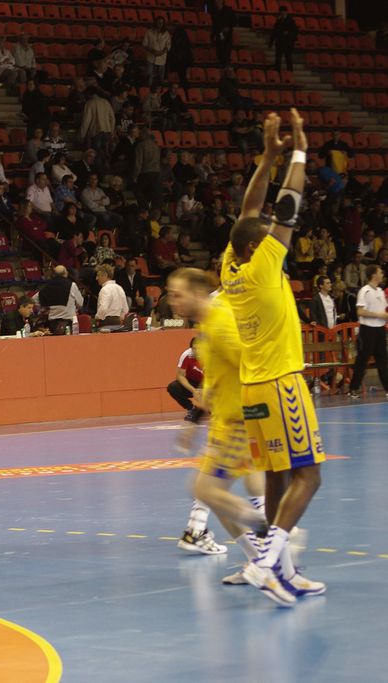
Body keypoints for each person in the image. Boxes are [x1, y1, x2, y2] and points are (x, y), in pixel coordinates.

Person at [222, 109, 325, 606]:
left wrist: (266, 157)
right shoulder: (264, 264)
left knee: (280, 478)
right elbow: (288, 203)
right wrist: (298, 149)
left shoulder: (231, 268)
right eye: (265, 232)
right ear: (257, 245)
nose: (270, 230)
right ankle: (266, 562)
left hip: (253, 390)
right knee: (310, 476)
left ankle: (283, 571)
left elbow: (251, 208)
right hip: (283, 383)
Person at [166, 268, 270, 566]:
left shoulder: (222, 323)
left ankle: (271, 533)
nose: (172, 302)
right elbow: (219, 373)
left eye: (177, 295)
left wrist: (259, 414)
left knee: (207, 489)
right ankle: (261, 562)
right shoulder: (209, 325)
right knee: (212, 493)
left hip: (239, 422)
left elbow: (253, 366)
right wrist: (196, 413)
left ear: (198, 293)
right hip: (223, 422)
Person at [347, 265, 388, 398]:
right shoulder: (364, 291)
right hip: (367, 330)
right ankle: (353, 388)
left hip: (380, 330)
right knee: (362, 360)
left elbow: (384, 310)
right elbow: (360, 311)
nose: (382, 274)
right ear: (374, 275)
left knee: (383, 360)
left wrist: (384, 316)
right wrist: (378, 315)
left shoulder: (381, 292)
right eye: (380, 272)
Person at [37, 265, 84, 335]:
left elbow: (35, 300)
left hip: (52, 324)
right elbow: (80, 303)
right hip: (68, 323)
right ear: (66, 273)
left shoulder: (45, 288)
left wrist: (45, 310)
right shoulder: (72, 285)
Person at [168, 338, 205, 422]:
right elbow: (180, 376)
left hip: (208, 383)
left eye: (200, 348)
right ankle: (192, 408)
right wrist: (194, 390)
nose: (197, 351)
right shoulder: (187, 355)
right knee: (173, 387)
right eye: (194, 348)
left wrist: (204, 389)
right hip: (192, 382)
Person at [142, 17, 171, 87]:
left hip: (162, 58)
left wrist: (162, 52)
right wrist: (152, 50)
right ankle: (148, 88)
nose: (160, 24)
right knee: (149, 75)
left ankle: (160, 89)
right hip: (151, 57)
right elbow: (144, 44)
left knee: (161, 76)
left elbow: (168, 45)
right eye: (158, 22)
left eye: (161, 22)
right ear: (156, 22)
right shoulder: (149, 32)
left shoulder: (166, 34)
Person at [270, 6, 298, 73]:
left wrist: (288, 33)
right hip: (279, 42)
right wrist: (271, 42)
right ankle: (277, 72)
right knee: (278, 58)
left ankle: (290, 72)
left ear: (286, 12)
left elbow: (295, 31)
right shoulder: (278, 21)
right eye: (281, 12)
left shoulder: (291, 20)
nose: (282, 13)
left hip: (288, 43)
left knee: (288, 58)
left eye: (283, 12)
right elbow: (274, 32)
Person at [211, 0, 237, 68]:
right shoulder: (214, 11)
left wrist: (228, 27)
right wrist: (214, 35)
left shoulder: (228, 10)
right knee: (220, 52)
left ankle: (226, 66)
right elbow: (214, 25)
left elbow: (234, 21)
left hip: (227, 35)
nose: (216, 2)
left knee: (226, 52)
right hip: (219, 34)